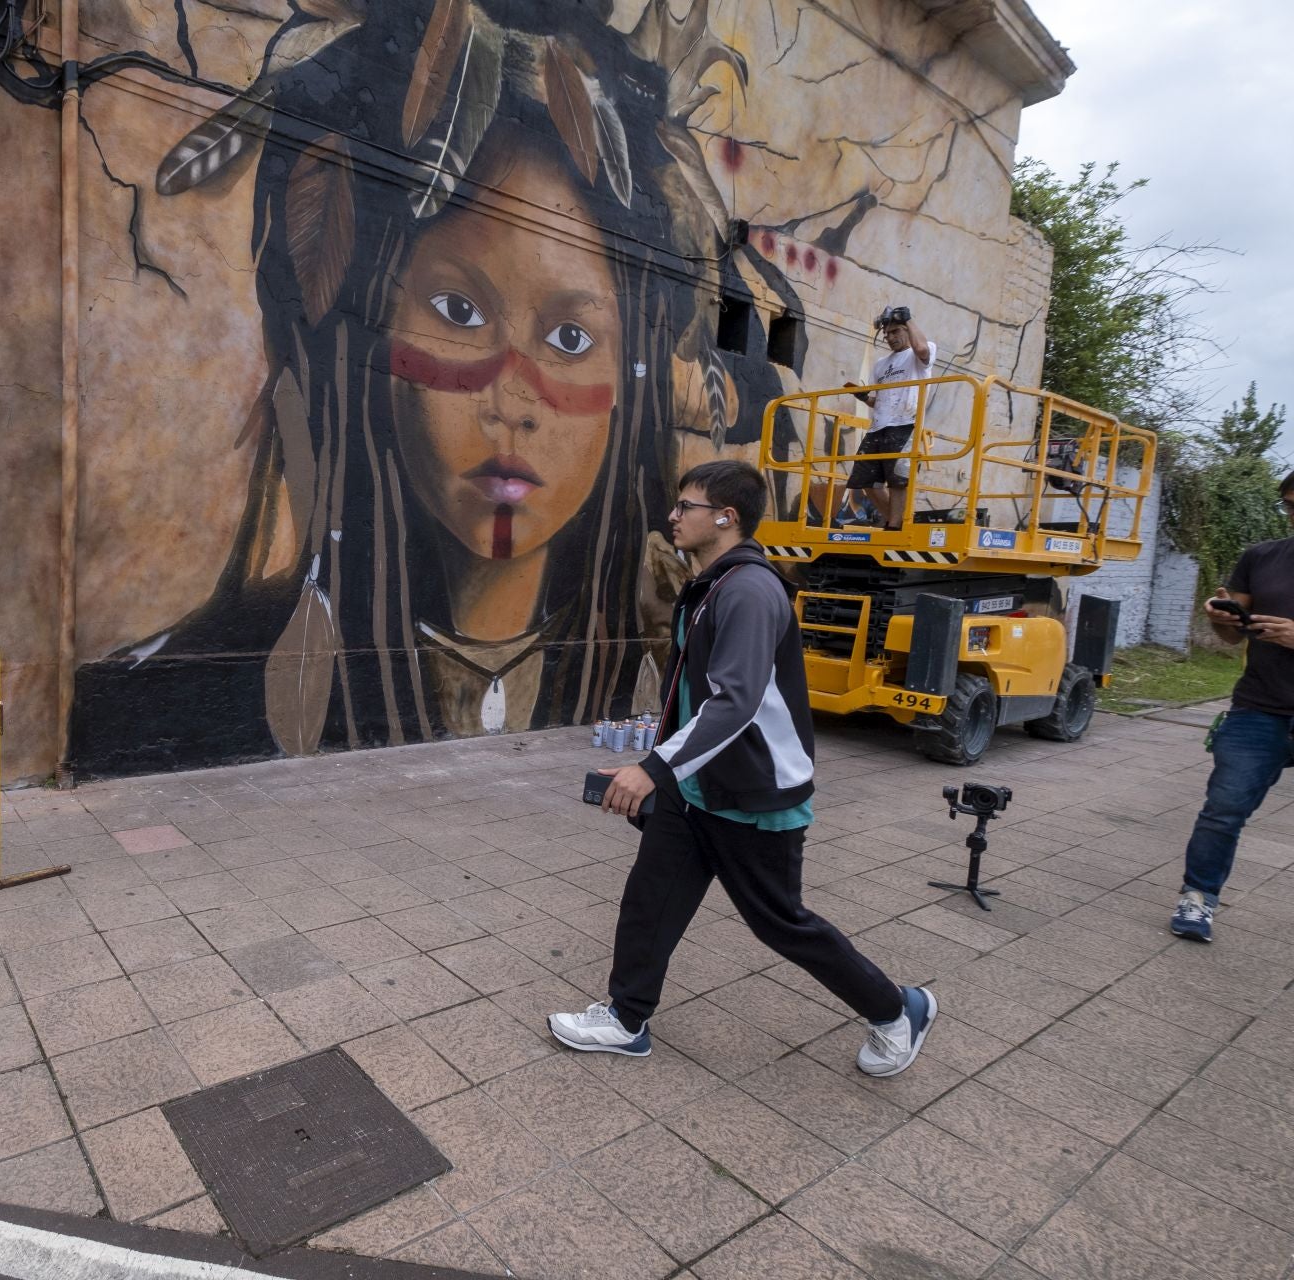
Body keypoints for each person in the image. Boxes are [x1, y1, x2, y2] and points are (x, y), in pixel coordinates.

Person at [67, 7, 793, 778]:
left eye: (571, 339)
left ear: (627, 377)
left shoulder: (677, 639)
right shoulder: (150, 696)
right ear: (366, 335)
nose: (510, 401)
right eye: (458, 311)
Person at [549, 460, 937, 1078]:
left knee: (781, 922)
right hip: (697, 787)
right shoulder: (711, 584)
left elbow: (736, 701)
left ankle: (898, 1009)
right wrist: (672, 766)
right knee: (650, 901)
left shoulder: (750, 591)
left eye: (686, 506)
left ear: (725, 518)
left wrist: (653, 768)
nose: (673, 517)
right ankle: (625, 1020)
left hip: (753, 791)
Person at [1172, 470, 1294, 942]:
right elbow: (1230, 636)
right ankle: (1198, 899)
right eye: (1289, 505)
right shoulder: (1262, 558)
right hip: (1258, 709)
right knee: (1222, 810)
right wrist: (1224, 618)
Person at [842, 305, 935, 531]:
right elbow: (880, 400)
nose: (890, 338)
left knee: (897, 480)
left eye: (895, 332)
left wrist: (908, 318)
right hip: (878, 428)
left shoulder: (919, 352)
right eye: (887, 334)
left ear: (906, 330)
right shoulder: (880, 365)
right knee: (864, 480)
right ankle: (895, 522)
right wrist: (865, 398)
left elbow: (922, 348)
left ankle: (893, 527)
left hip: (905, 424)